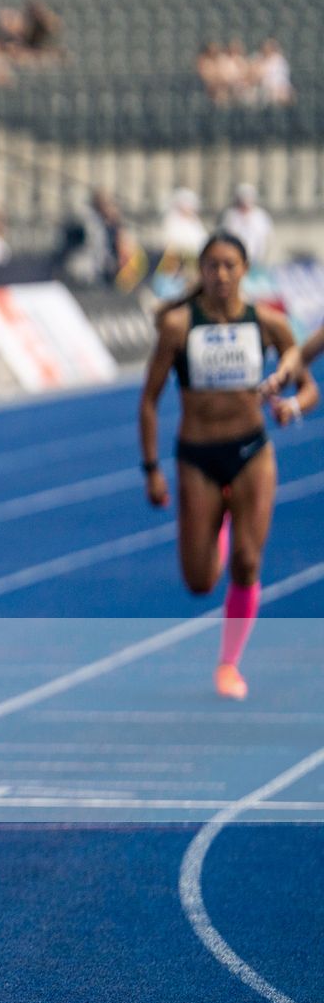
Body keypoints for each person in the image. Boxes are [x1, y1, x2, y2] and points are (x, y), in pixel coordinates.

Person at [139, 231, 315, 700]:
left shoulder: (268, 323)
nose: (220, 274)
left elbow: (309, 388)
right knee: (199, 583)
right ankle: (217, 527)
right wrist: (151, 468)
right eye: (212, 266)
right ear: (201, 271)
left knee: (248, 560)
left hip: (251, 453)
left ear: (245, 270)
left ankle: (229, 664)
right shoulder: (178, 326)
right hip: (197, 458)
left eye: (230, 265)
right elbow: (149, 402)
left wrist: (291, 407)